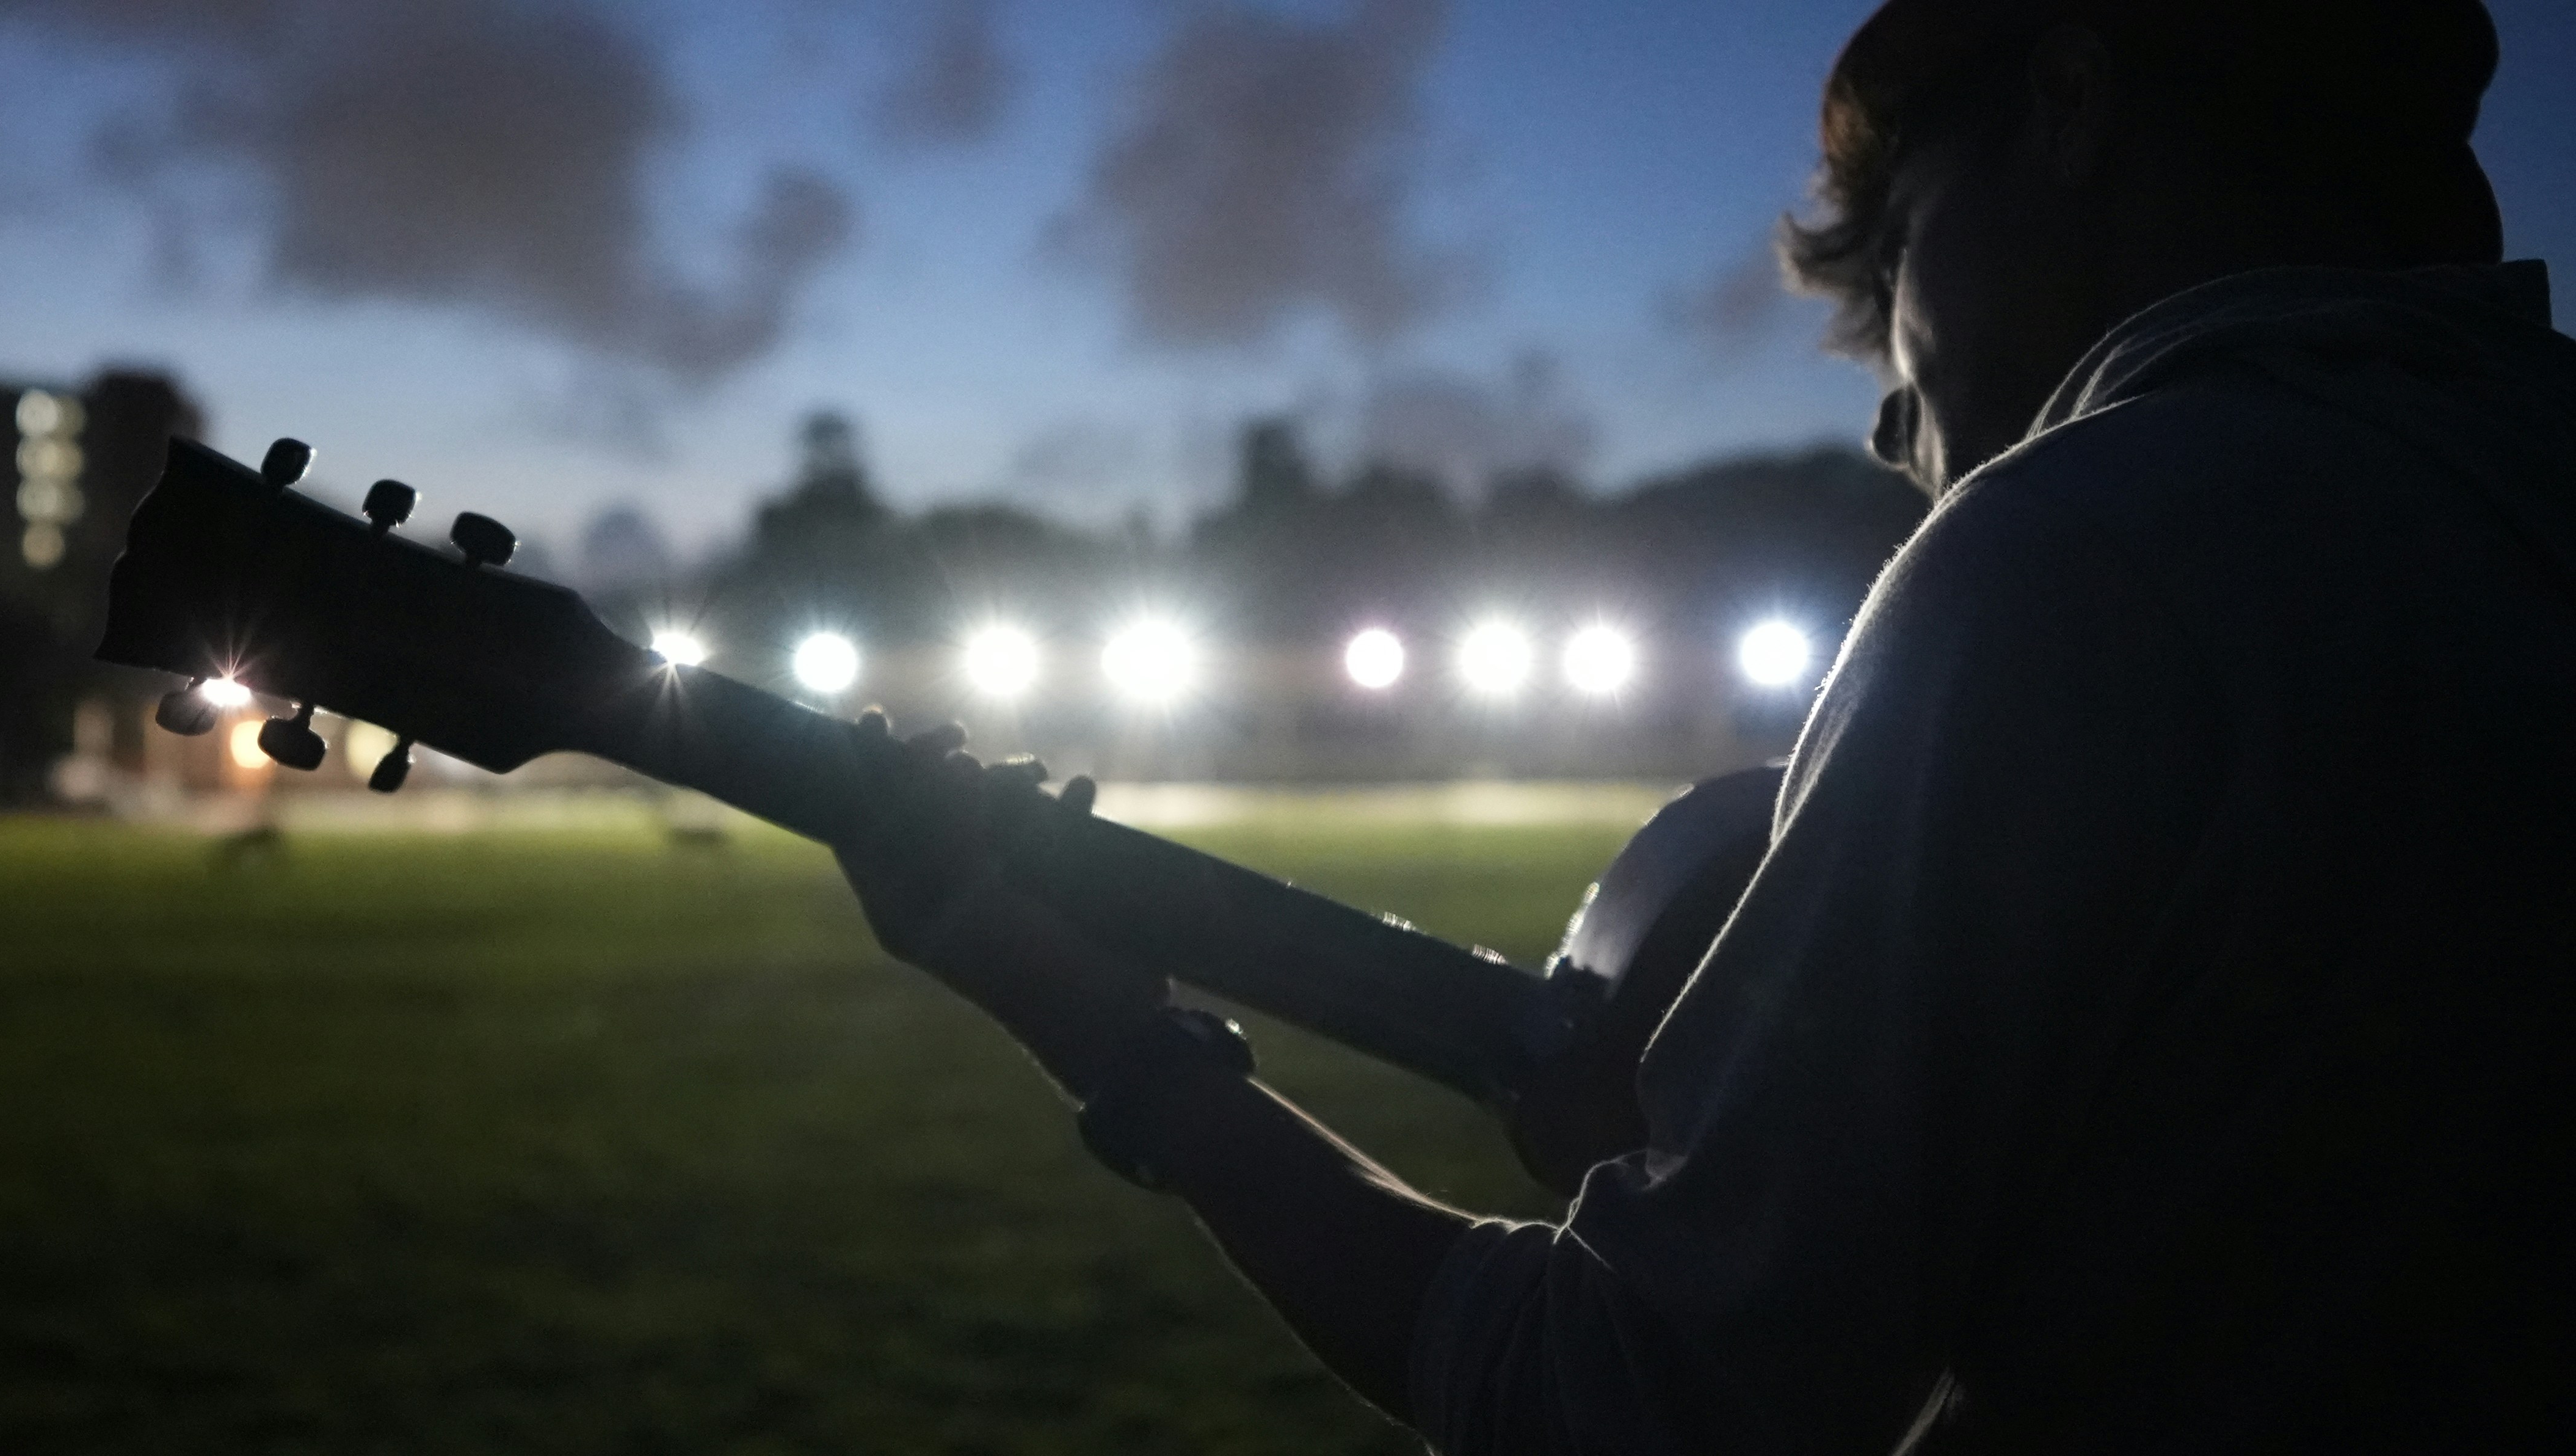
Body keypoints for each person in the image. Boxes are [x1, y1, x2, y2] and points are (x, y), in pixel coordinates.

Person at [833, 0, 2576, 1449]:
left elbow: (1638, 1408)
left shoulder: (2086, 546)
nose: (1896, 417)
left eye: (1896, 255)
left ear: (2070, 93)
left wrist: (1123, 1049)